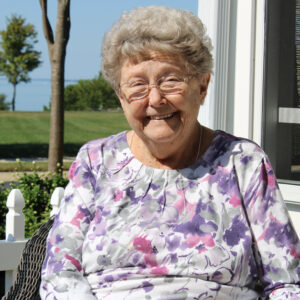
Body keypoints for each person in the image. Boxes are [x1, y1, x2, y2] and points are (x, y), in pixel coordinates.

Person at [40, 6, 300, 300]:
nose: (155, 99)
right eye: (137, 85)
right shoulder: (95, 162)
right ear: (121, 96)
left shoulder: (243, 162)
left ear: (202, 86)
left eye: (170, 79)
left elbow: (286, 283)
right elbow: (60, 275)